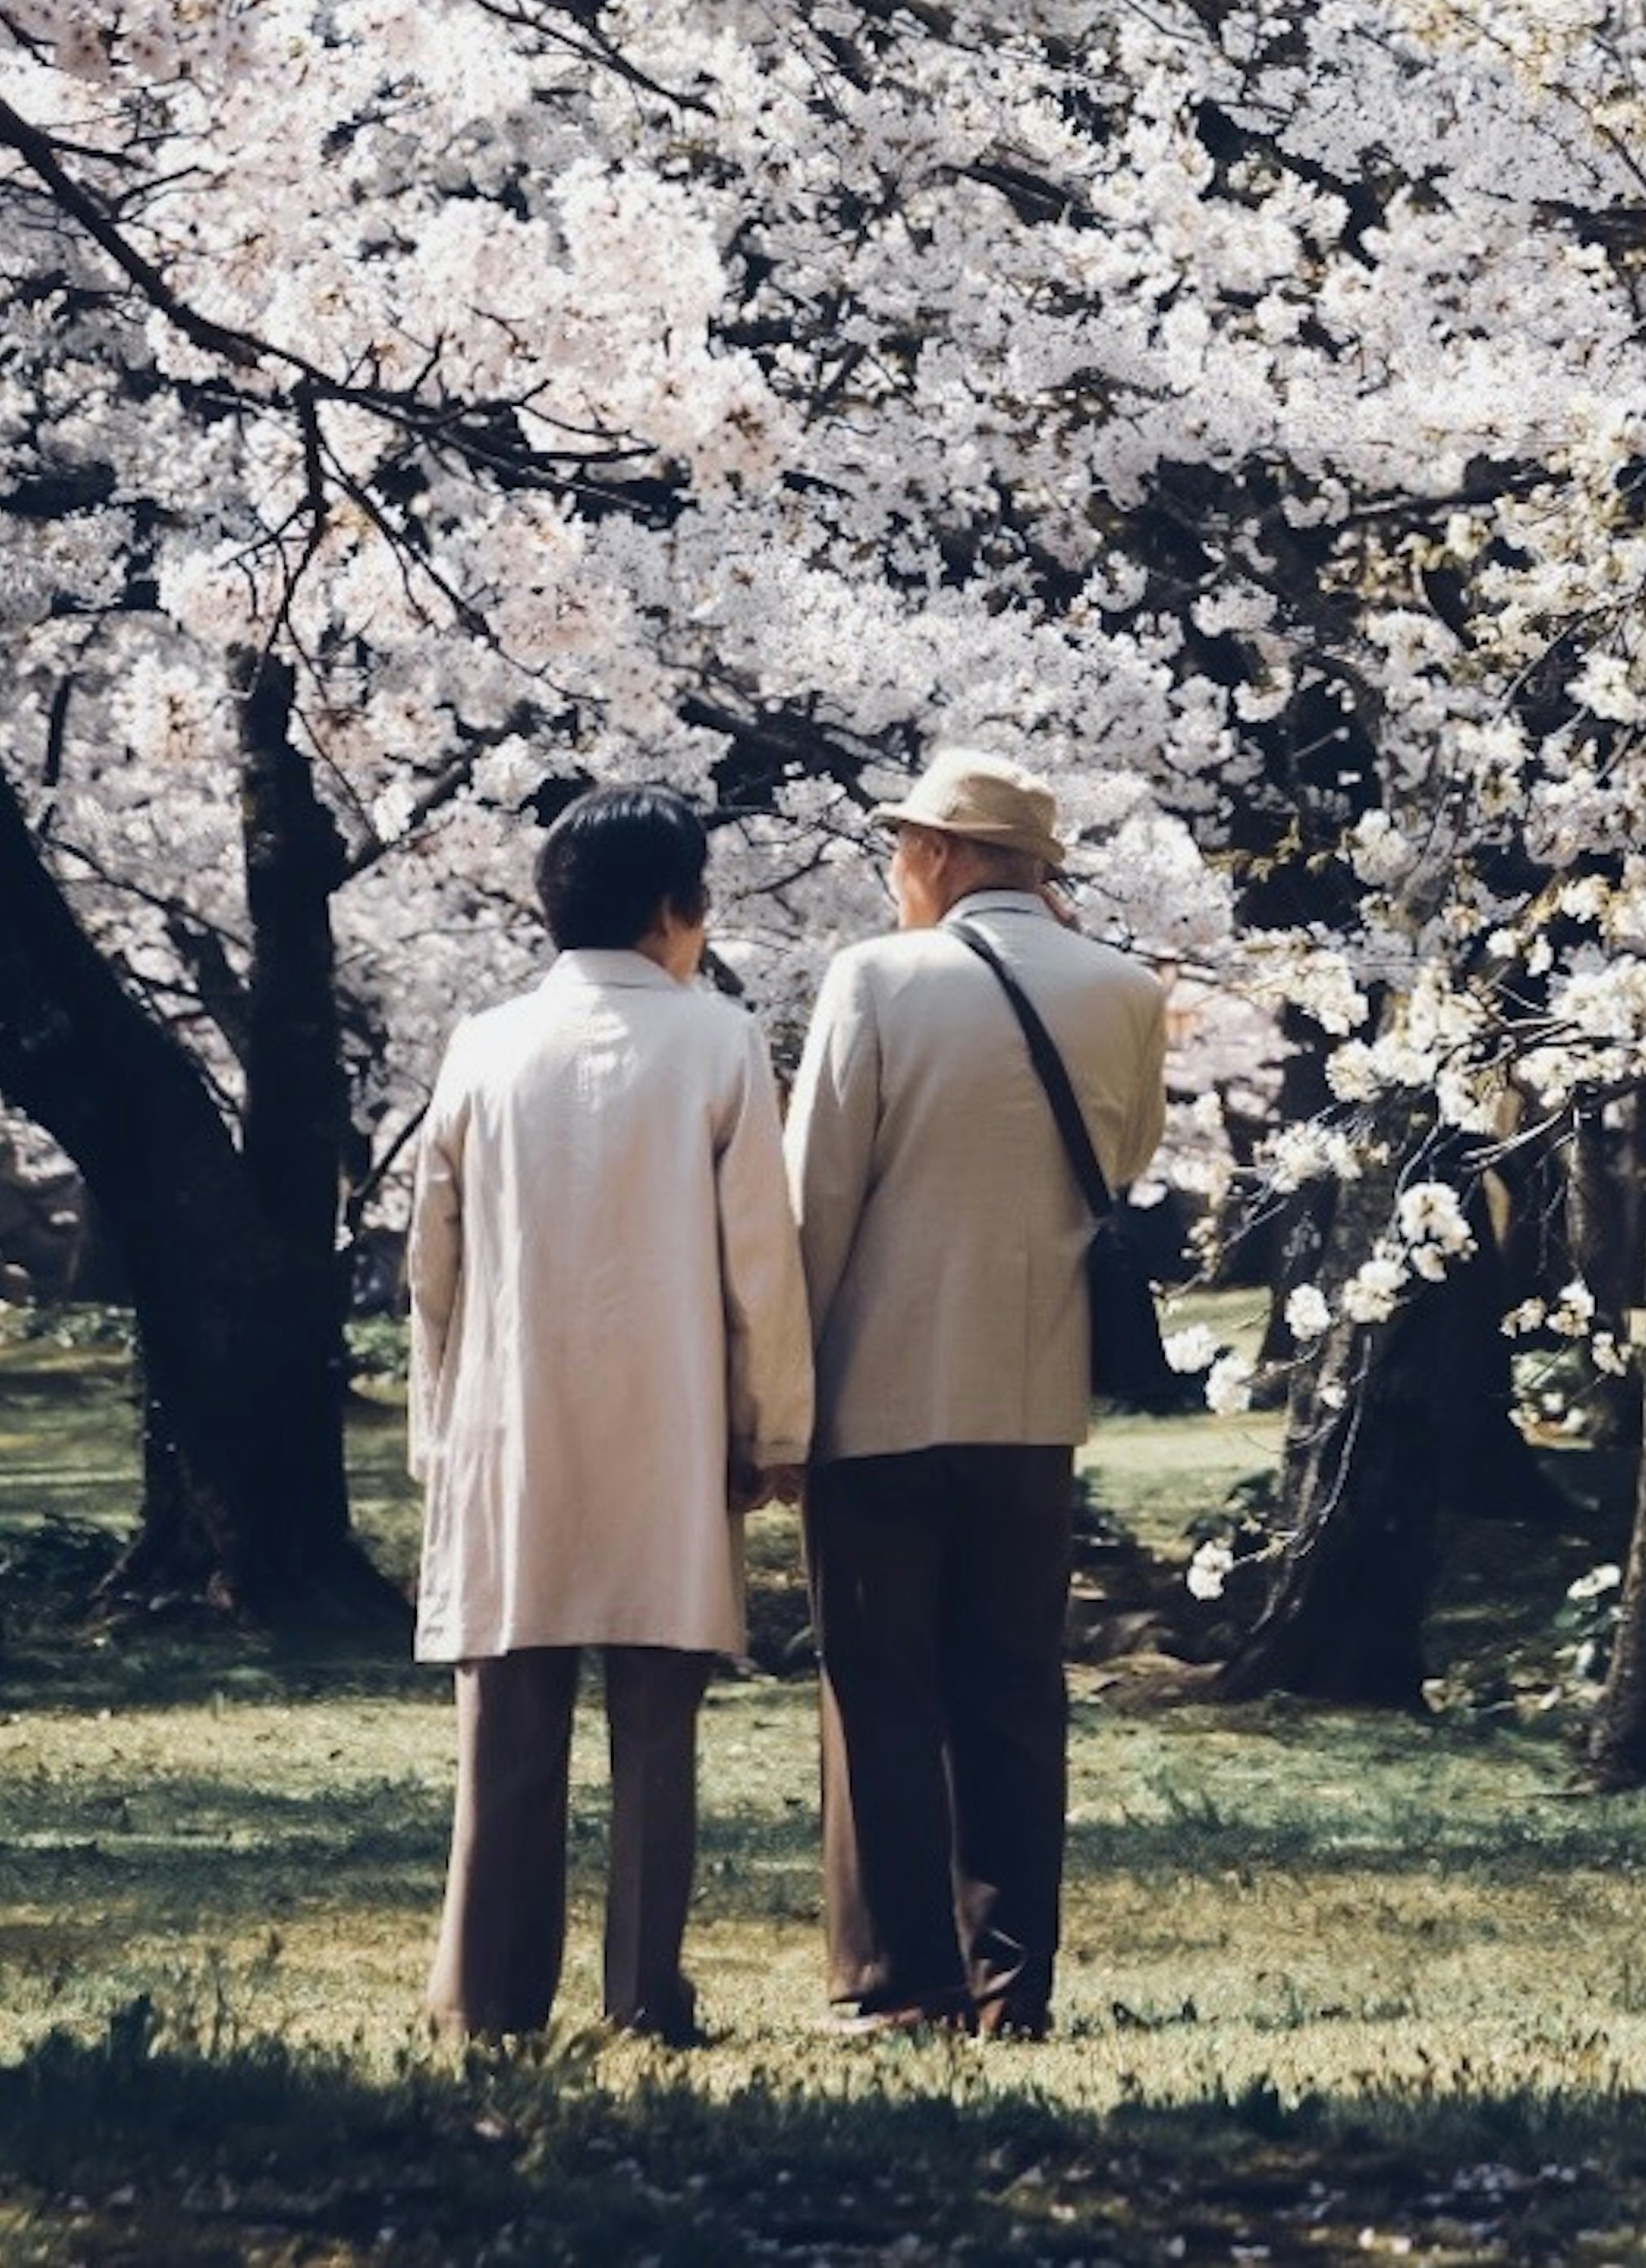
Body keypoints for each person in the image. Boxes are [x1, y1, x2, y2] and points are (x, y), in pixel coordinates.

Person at [408, 783, 812, 2045]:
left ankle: (488, 1994)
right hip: (669, 1418)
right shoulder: (718, 1040)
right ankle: (646, 1992)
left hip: (513, 1420)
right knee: (656, 1731)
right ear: (672, 908)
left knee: (509, 1731)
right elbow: (762, 1258)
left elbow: (434, 1258)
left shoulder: (481, 1042)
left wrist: (442, 1423)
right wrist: (775, 1426)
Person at [787, 746, 1168, 2041]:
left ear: (940, 854)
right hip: (1035, 1396)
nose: (896, 866)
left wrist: (783, 1394)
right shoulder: (1124, 989)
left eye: (905, 843)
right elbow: (1123, 1157)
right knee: (1012, 1685)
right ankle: (1014, 1982)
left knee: (880, 1686)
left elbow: (817, 1199)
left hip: (880, 1392)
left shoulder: (877, 979)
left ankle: (903, 1981)